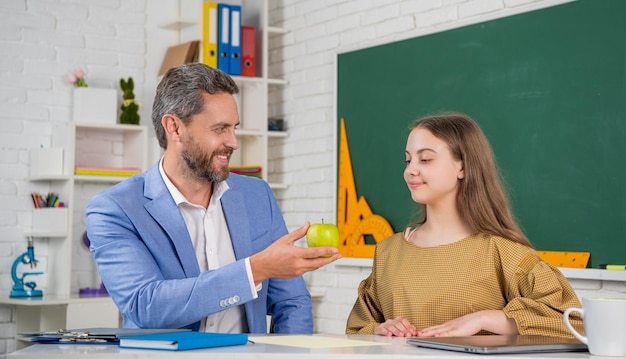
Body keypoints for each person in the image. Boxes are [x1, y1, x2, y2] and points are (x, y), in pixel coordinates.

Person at [85, 63, 341, 334]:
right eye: (220, 129)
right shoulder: (115, 209)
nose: (233, 142)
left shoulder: (257, 196)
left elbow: (291, 302)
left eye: (234, 128)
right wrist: (253, 270)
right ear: (174, 127)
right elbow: (145, 304)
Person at [345, 113, 584, 338]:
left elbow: (572, 321)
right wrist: (380, 330)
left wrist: (487, 319)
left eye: (425, 159)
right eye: (408, 160)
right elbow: (356, 329)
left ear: (463, 167)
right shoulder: (388, 252)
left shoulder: (502, 251)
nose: (411, 170)